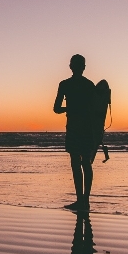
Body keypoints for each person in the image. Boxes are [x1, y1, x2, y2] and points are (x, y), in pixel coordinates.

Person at [53, 54, 96, 210]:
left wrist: (69, 108)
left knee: (76, 164)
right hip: (87, 129)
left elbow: (56, 109)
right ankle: (85, 201)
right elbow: (96, 111)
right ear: (84, 67)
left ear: (70, 66)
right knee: (86, 162)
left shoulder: (65, 85)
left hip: (74, 128)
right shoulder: (90, 85)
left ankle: (80, 201)